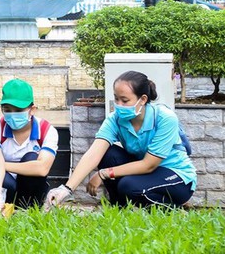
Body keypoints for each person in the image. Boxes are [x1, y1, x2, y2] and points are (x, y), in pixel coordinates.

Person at [47, 70, 197, 208]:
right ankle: (119, 209)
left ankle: (174, 206)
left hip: (175, 176)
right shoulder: (116, 119)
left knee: (129, 186)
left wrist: (103, 173)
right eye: (116, 99)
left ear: (143, 99)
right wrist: (66, 189)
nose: (119, 105)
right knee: (108, 154)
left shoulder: (164, 118)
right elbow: (93, 154)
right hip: (146, 174)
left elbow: (149, 165)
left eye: (125, 100)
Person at [0, 79, 59, 214]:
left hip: (30, 188)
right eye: (7, 110)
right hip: (3, 182)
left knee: (31, 158)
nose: (12, 114)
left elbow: (42, 168)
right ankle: (1, 209)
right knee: (1, 178)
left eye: (18, 110)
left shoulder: (46, 130)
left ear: (32, 110)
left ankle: (26, 210)